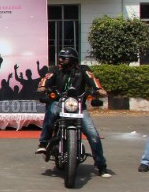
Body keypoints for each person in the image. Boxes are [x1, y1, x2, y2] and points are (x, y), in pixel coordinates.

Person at [35, 47, 113, 177]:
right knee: (51, 112)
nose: (60, 60)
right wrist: (43, 87)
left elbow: (93, 80)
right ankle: (43, 142)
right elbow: (46, 79)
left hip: (78, 106)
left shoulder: (83, 70)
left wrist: (99, 89)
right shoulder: (55, 70)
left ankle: (101, 166)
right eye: (60, 57)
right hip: (60, 102)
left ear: (72, 60)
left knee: (93, 135)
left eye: (63, 58)